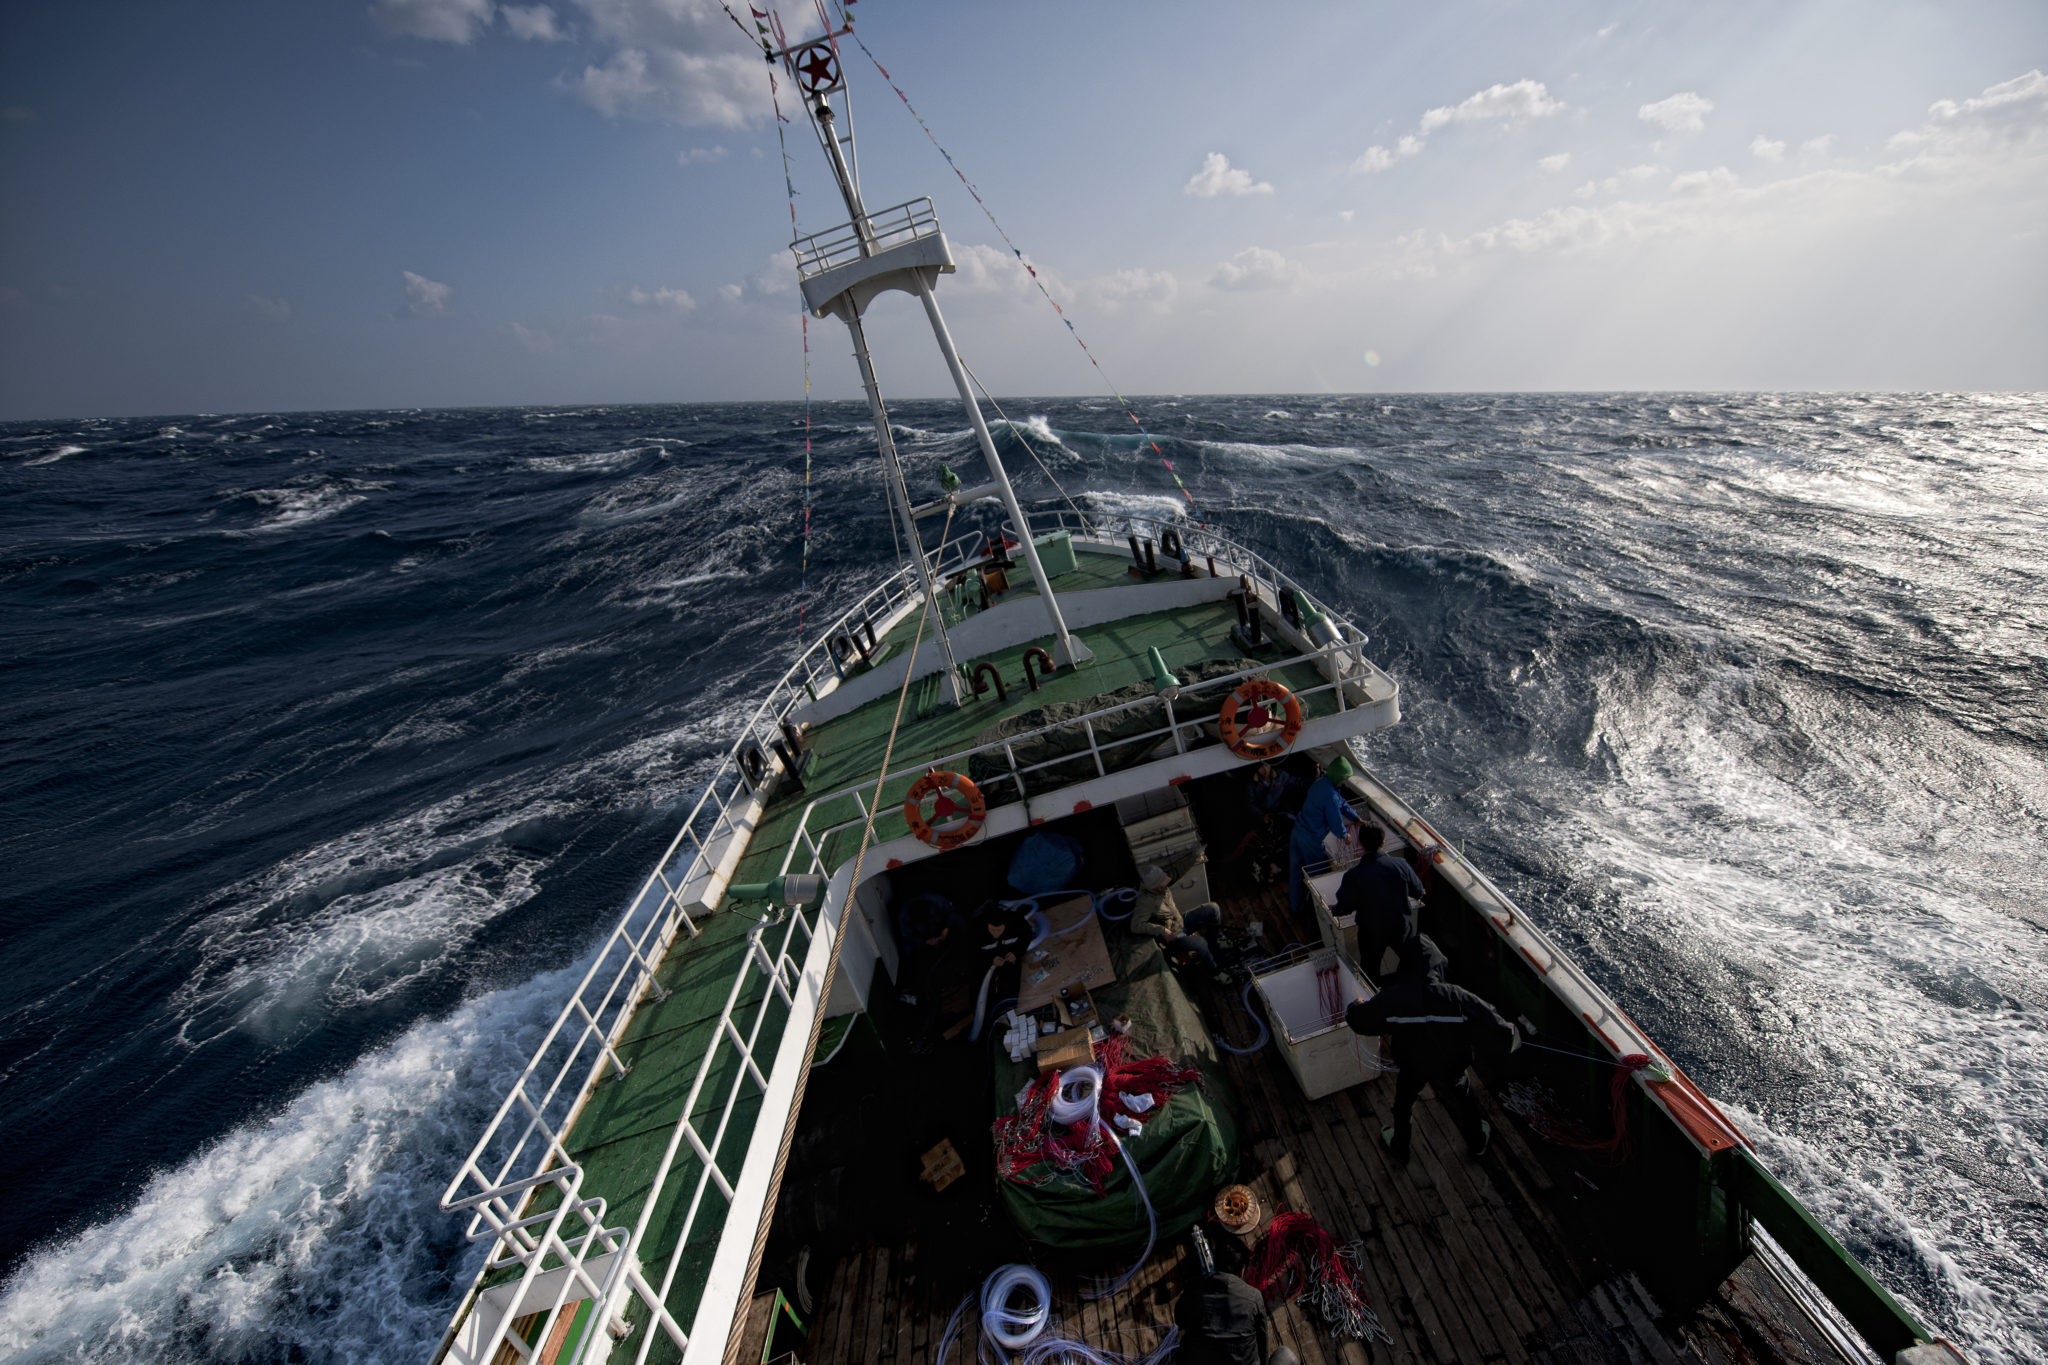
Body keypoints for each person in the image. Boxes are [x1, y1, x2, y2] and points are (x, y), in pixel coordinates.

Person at [1345, 974, 1518, 1163]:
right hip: (1451, 1066)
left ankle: (1400, 1148)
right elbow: (1501, 1030)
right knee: (1464, 1098)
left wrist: (1356, 1006)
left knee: (1403, 1104)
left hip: (1413, 1065)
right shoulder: (1456, 996)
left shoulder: (1394, 997)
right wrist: (1513, 1038)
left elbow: (1359, 1021)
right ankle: (1477, 1142)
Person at [1335, 824, 1426, 978]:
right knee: (1412, 963)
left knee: (1370, 972)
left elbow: (1344, 908)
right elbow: (1418, 892)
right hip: (1400, 928)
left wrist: (1335, 909)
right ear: (1382, 843)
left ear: (1360, 843)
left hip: (1371, 933)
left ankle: (1374, 996)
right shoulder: (1401, 865)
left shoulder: (1353, 876)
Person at [1287, 751, 1360, 918]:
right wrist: (1345, 836)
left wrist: (1356, 818)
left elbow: (1341, 804)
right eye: (1344, 779)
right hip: (1311, 840)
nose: (1344, 782)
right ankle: (1317, 914)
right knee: (1317, 878)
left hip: (1297, 832)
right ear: (1338, 776)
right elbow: (1336, 823)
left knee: (1296, 872)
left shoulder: (1320, 783)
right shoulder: (1331, 795)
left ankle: (1295, 908)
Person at [1174, 1269, 1299, 1365]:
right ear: (1242, 1271)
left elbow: (1179, 1319)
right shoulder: (1254, 1296)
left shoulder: (1194, 1288)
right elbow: (1262, 1343)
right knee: (1286, 1355)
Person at [1132, 865, 1231, 983]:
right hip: (1173, 938)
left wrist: (1195, 854)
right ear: (1155, 887)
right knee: (1200, 943)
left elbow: (1179, 870)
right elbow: (1135, 925)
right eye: (1162, 884)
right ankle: (1214, 972)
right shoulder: (1145, 902)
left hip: (1181, 922)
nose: (1166, 885)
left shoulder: (1163, 886)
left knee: (1213, 908)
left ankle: (1213, 945)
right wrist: (1162, 930)